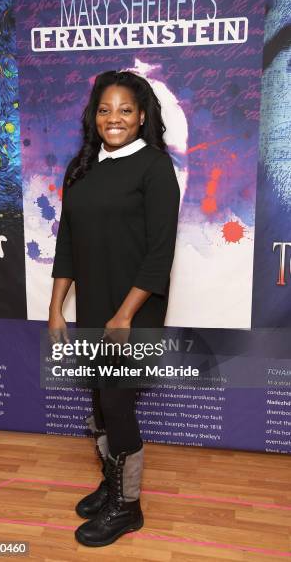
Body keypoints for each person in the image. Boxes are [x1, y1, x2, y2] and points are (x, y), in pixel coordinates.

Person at [48, 70, 180, 547]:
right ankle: (112, 484)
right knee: (101, 402)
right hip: (95, 305)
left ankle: (128, 508)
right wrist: (56, 307)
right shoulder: (82, 167)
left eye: (125, 109)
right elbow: (68, 242)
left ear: (142, 115)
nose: (115, 118)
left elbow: (160, 253)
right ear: (94, 116)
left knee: (118, 404)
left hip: (134, 312)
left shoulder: (155, 167)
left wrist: (124, 315)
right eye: (105, 109)